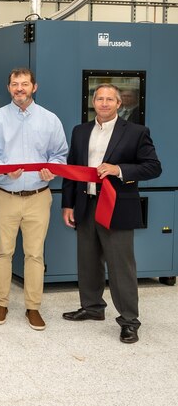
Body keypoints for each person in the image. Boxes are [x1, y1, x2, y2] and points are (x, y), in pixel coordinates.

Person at [61, 84, 161, 344]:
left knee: (121, 266)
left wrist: (118, 169)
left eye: (110, 99)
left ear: (119, 104)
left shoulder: (137, 132)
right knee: (88, 260)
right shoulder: (80, 131)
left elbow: (153, 167)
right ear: (93, 102)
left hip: (116, 205)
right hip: (86, 204)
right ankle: (92, 307)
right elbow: (72, 169)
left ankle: (129, 321)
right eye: (100, 99)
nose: (104, 103)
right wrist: (68, 204)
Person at [0, 67, 68, 331]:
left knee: (34, 255)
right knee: (3, 253)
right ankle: (1, 303)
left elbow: (60, 154)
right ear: (9, 88)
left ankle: (33, 307)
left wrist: (51, 168)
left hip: (38, 197)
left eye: (25, 84)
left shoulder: (50, 120)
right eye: (15, 84)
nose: (20, 88)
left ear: (34, 87)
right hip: (5, 195)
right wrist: (3, 169)